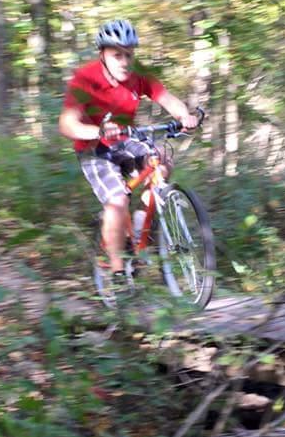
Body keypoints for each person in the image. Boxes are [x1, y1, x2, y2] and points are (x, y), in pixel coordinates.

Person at [59, 19, 198, 283]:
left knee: (161, 162)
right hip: (93, 148)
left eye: (129, 55)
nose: (124, 62)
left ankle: (139, 224)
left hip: (125, 140)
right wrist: (97, 131)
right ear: (102, 54)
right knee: (117, 200)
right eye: (117, 55)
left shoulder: (138, 75)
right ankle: (118, 272)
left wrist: (184, 116)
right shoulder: (86, 78)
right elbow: (67, 124)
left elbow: (166, 98)